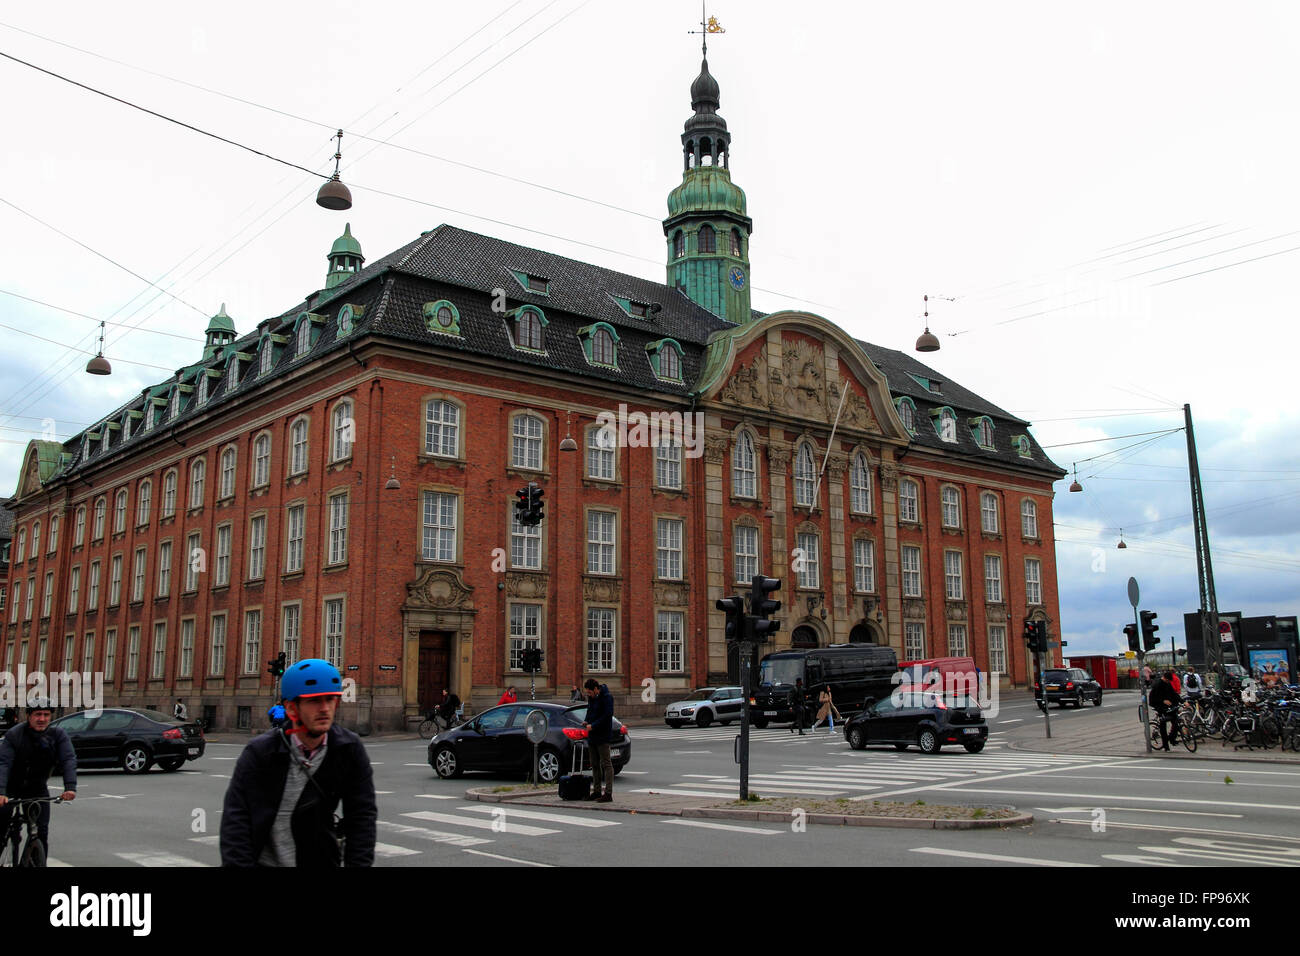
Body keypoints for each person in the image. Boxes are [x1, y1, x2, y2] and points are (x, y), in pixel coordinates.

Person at [221, 659, 376, 867]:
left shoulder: (348, 749)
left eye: (330, 699)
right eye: (314, 701)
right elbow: (236, 822)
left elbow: (361, 820)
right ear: (292, 708)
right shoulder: (260, 753)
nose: (325, 709)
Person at [0, 698, 77, 862]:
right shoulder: (15, 735)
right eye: (37, 714)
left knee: (41, 832)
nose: (42, 719)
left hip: (37, 788)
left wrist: (70, 787)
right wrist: (1, 792)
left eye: (46, 715)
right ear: (29, 716)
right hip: (9, 788)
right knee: (1, 826)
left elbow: (68, 759)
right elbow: (3, 763)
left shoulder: (58, 735)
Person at [581, 678, 615, 803]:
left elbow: (607, 715)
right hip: (592, 735)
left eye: (590, 692)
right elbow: (590, 711)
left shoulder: (607, 697)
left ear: (596, 689)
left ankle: (608, 793)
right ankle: (596, 791)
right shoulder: (592, 698)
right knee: (594, 764)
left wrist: (593, 725)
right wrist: (586, 720)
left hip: (603, 734)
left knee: (606, 764)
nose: (588, 694)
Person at [1147, 671, 1181, 752]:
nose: (1168, 682)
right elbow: (1153, 698)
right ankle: (1166, 745)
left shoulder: (1167, 683)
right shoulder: (1157, 684)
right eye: (1168, 680)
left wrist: (1182, 701)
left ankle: (1171, 738)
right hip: (1159, 706)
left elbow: (1173, 694)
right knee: (1163, 725)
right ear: (1164, 678)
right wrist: (1163, 701)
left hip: (1167, 705)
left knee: (1176, 721)